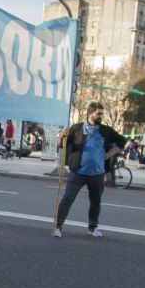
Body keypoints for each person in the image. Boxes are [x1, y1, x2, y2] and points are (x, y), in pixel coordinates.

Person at [54, 102, 127, 238]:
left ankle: (92, 228)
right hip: (78, 173)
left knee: (95, 202)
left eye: (102, 114)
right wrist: (62, 137)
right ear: (90, 114)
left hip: (97, 174)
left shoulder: (105, 130)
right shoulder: (76, 129)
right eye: (98, 114)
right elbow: (62, 145)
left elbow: (123, 141)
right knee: (67, 199)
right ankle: (57, 226)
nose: (101, 116)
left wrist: (110, 154)